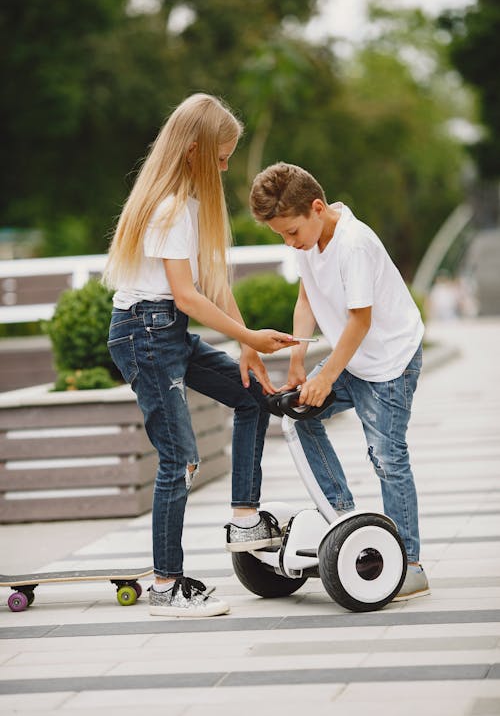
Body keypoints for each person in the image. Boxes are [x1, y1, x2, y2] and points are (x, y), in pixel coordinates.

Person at [103, 95, 297, 618]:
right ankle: (166, 586)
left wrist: (246, 347)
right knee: (180, 458)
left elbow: (211, 283)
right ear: (194, 150)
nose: (226, 167)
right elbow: (186, 296)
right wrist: (251, 338)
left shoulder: (186, 204)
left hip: (166, 331)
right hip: (145, 332)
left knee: (253, 397)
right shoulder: (169, 207)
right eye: (220, 157)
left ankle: (243, 516)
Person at [249, 161, 430, 601]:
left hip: (389, 362)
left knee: (388, 457)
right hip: (352, 358)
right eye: (282, 236)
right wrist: (297, 363)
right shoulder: (307, 243)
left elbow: (359, 321)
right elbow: (305, 299)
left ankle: (410, 565)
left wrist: (326, 376)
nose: (290, 242)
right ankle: (344, 518)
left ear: (316, 207)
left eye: (291, 232)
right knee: (297, 415)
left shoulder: (354, 243)